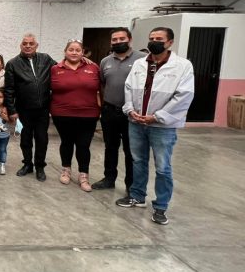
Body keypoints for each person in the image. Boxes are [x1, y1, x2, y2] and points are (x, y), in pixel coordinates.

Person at [116, 27, 194, 225]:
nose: (154, 42)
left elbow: (184, 96)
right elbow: (129, 88)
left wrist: (157, 117)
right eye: (152, 38)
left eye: (159, 39)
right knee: (138, 161)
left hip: (162, 126)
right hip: (136, 122)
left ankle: (161, 206)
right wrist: (130, 110)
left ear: (170, 42)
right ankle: (137, 196)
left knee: (162, 167)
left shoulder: (182, 66)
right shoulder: (140, 63)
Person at [92, 27, 146, 192]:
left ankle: (131, 185)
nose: (118, 42)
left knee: (131, 151)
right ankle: (109, 179)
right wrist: (103, 104)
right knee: (110, 147)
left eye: (121, 39)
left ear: (129, 39)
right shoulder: (105, 61)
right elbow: (103, 84)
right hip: (109, 110)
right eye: (114, 39)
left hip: (132, 113)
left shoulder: (142, 59)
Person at [50, 40, 101, 192]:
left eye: (77, 50)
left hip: (88, 114)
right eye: (71, 49)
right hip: (62, 114)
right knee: (66, 142)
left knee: (83, 145)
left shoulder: (94, 67)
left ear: (82, 53)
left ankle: (83, 175)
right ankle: (66, 170)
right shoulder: (55, 69)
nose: (74, 52)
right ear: (65, 52)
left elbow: (102, 88)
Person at [4, 34, 55, 182]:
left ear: (36, 45)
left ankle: (40, 166)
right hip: (23, 110)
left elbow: (62, 68)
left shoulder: (46, 59)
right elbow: (9, 90)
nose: (28, 46)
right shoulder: (12, 64)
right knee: (25, 139)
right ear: (20, 45)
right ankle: (27, 164)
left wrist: (82, 60)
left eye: (31, 43)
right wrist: (12, 111)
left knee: (42, 139)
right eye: (25, 43)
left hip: (43, 109)